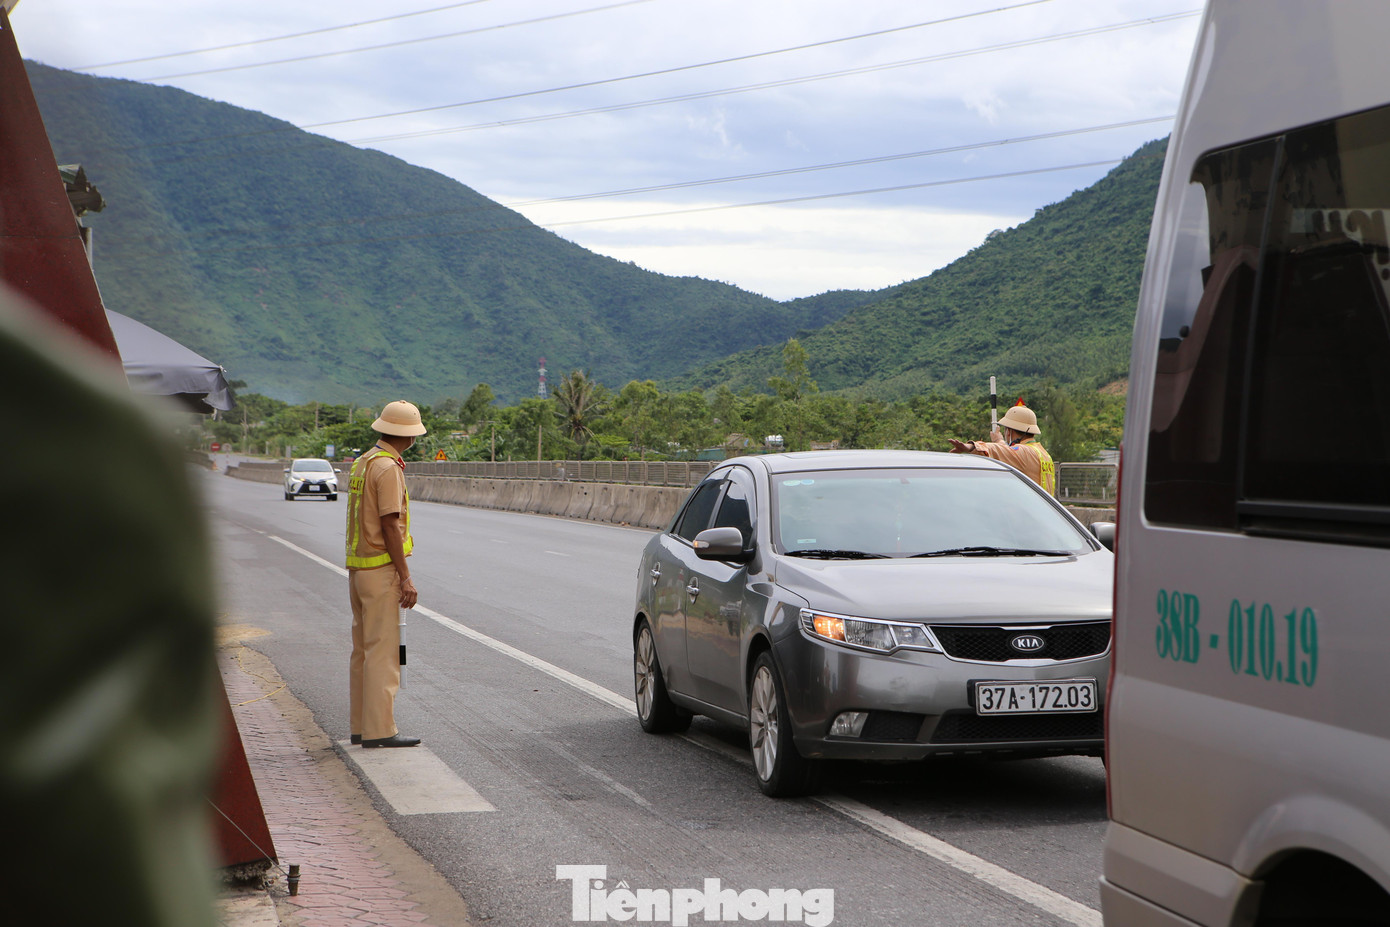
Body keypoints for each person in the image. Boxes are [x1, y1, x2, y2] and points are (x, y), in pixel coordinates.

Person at [346, 400, 427, 748]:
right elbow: (390, 525)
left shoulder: (362, 463)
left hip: (358, 570)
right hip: (380, 571)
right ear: (407, 437)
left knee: (362, 651)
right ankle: (379, 730)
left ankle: (360, 725)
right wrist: (405, 576)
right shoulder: (388, 469)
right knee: (383, 652)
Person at [947, 403, 1056, 495]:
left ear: (1009, 431)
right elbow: (1008, 453)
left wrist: (970, 446)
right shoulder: (1042, 453)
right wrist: (999, 441)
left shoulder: (1024, 452)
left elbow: (998, 450)